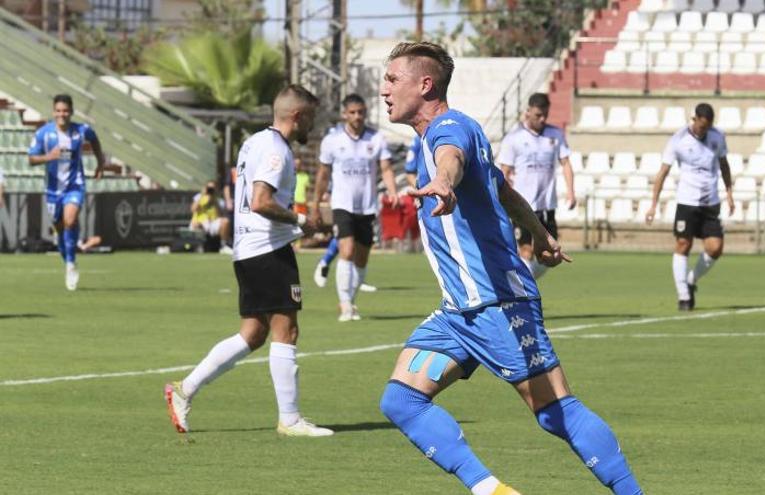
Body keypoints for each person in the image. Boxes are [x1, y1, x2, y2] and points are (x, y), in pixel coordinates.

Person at [378, 42, 642, 495]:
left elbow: (451, 159)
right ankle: (492, 490)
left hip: (496, 303)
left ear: (425, 85)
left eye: (392, 79)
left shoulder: (448, 130)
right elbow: (502, 190)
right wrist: (539, 234)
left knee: (555, 410)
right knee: (401, 400)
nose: (384, 90)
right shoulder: (447, 134)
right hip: (459, 313)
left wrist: (442, 180)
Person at [164, 84, 333, 438]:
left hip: (248, 250)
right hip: (268, 249)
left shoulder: (254, 142)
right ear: (297, 116)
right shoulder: (276, 150)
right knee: (287, 331)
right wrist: (301, 220)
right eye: (310, 118)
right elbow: (260, 201)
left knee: (253, 334)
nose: (312, 126)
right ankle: (290, 420)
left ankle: (184, 389)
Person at [310, 93, 398, 321]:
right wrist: (316, 204)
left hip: (367, 207)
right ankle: (345, 305)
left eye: (361, 112)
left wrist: (392, 191)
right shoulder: (332, 141)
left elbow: (386, 168)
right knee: (346, 250)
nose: (357, 116)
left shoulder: (376, 138)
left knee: (361, 260)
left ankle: (350, 299)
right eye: (353, 112)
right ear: (344, 114)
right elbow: (323, 174)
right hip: (342, 205)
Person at [645, 103, 733, 312]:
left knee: (715, 248)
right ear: (694, 120)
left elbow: (724, 164)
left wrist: (729, 193)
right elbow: (663, 172)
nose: (703, 131)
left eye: (707, 127)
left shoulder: (717, 137)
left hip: (710, 202)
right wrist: (653, 204)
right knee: (683, 244)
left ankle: (691, 280)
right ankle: (683, 295)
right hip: (687, 201)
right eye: (701, 126)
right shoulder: (679, 139)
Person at [27, 94, 106, 290]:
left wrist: (100, 162)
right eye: (58, 111)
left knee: (70, 221)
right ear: (53, 112)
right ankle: (68, 259)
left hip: (74, 185)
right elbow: (31, 159)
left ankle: (71, 264)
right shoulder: (43, 133)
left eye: (65, 111)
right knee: (60, 230)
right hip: (53, 189)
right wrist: (49, 156)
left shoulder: (81, 130)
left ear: (71, 112)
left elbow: (94, 140)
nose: (62, 114)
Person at [498, 93, 576, 280]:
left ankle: (519, 284)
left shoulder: (555, 135)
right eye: (538, 115)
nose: (542, 119)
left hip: (547, 206)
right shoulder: (514, 138)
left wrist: (571, 192)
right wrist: (501, 198)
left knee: (551, 256)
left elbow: (565, 163)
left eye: (545, 115)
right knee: (526, 250)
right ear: (528, 112)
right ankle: (521, 290)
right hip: (523, 206)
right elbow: (504, 171)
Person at [190, 179, 233, 254]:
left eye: (212, 188)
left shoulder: (218, 200)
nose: (210, 190)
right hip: (200, 223)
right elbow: (193, 209)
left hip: (212, 223)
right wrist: (202, 195)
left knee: (225, 221)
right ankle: (198, 247)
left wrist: (214, 201)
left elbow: (220, 215)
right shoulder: (199, 197)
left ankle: (223, 246)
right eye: (209, 188)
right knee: (196, 225)